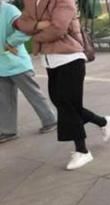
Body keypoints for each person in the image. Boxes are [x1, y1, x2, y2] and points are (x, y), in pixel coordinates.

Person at [13, 0, 110, 170]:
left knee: (67, 104)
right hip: (50, 61)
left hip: (70, 57)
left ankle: (82, 152)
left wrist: (35, 35)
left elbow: (58, 28)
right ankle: (103, 121)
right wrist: (40, 24)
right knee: (64, 103)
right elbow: (22, 23)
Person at [0, 0, 57, 144]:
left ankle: (50, 120)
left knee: (33, 93)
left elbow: (26, 29)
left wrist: (10, 43)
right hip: (1, 66)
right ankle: (8, 131)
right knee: (4, 100)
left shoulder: (9, 10)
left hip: (16, 62)